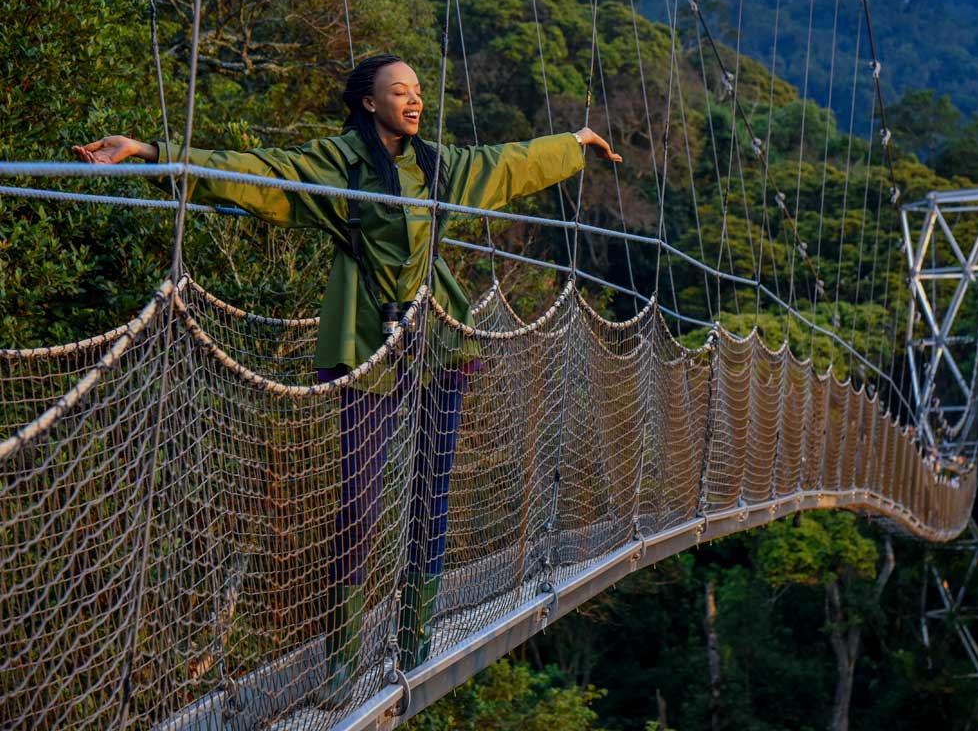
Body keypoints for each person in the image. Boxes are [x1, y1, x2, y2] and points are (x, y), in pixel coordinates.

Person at [75, 54, 621, 707]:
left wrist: (575, 143)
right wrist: (150, 153)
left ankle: (414, 634)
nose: (414, 101)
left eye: (419, 91)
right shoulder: (340, 164)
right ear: (369, 103)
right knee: (358, 506)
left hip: (438, 338)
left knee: (432, 494)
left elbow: (506, 164)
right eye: (400, 92)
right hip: (364, 340)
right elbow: (258, 174)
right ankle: (341, 656)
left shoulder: (437, 166)